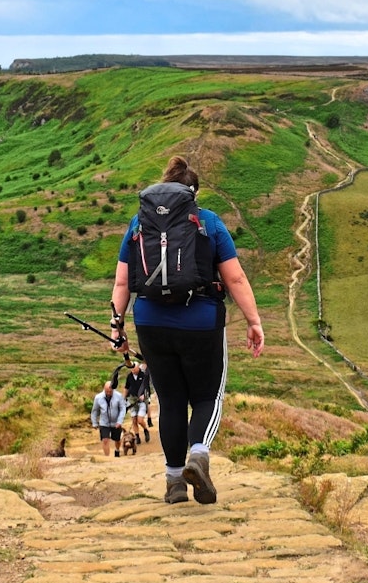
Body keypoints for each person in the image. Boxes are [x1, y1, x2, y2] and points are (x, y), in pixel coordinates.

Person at [110, 156, 264, 505]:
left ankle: (175, 482)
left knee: (172, 401)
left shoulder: (138, 225)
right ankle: (198, 454)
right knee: (208, 396)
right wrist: (254, 322)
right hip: (200, 322)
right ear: (193, 193)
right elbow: (235, 277)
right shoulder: (208, 222)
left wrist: (118, 328)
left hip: (150, 322)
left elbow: (122, 282)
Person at [89, 380, 127, 458]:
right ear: (104, 389)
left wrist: (120, 421)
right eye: (107, 391)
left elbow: (123, 409)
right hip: (104, 422)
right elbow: (95, 410)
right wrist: (94, 422)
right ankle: (107, 458)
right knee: (105, 440)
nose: (109, 393)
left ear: (113, 389)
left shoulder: (119, 396)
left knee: (117, 439)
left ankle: (117, 450)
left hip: (116, 422)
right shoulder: (98, 397)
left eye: (110, 391)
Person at [125, 362, 152, 444]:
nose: (133, 370)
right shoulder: (129, 376)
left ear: (138, 368)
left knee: (140, 420)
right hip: (132, 400)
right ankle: (137, 436)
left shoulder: (144, 375)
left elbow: (147, 388)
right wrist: (123, 398)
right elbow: (126, 387)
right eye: (131, 368)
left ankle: (145, 429)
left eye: (134, 368)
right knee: (134, 420)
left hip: (142, 401)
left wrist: (144, 395)